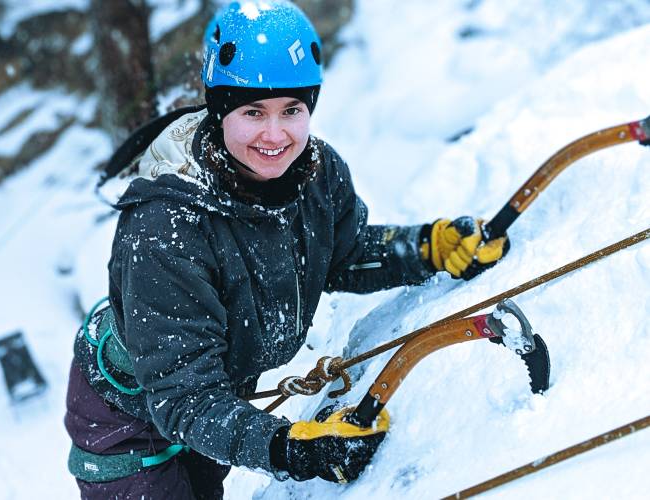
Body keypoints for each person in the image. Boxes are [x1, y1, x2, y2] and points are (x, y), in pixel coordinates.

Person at [64, 1, 509, 498]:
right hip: (127, 422)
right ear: (219, 110)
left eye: (291, 110)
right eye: (253, 111)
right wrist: (290, 448)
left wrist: (428, 247)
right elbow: (185, 399)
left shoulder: (318, 175)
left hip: (212, 395)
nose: (274, 135)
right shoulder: (166, 229)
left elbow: (342, 254)